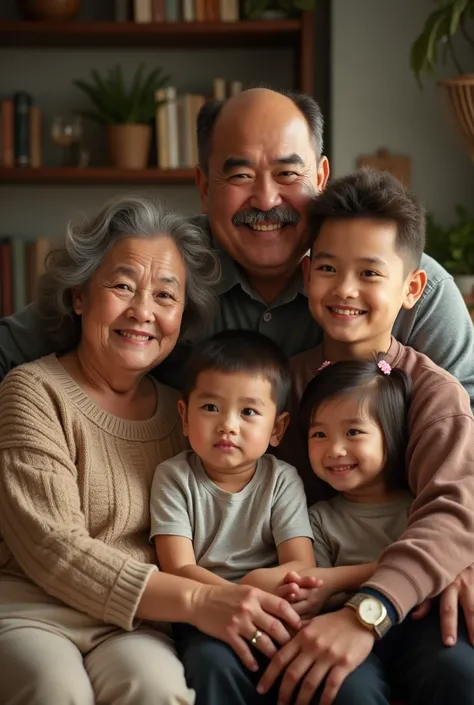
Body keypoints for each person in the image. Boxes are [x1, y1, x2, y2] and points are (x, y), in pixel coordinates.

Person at [0, 196, 303, 705]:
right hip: (34, 610)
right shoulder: (32, 390)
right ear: (79, 296)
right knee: (57, 691)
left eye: (166, 296)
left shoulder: (184, 416)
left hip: (136, 625)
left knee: (159, 689)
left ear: (183, 317)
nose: (143, 311)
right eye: (122, 286)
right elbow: (54, 549)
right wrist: (203, 599)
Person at [0, 88, 473, 411]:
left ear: (321, 178)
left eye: (289, 174)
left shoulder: (409, 290)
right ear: (204, 185)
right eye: (241, 175)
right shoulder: (155, 268)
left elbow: (464, 433)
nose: (266, 201)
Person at [257, 169, 474, 705]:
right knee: (341, 690)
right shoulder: (279, 389)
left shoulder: (434, 394)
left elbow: (452, 509)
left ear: (411, 289)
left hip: (416, 604)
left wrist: (366, 611)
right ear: (307, 275)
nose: (345, 289)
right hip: (311, 598)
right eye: (328, 268)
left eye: (370, 273)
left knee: (459, 673)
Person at [150, 330, 316, 704]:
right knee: (210, 664)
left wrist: (260, 597)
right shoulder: (174, 477)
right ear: (184, 416)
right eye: (210, 407)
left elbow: (301, 563)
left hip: (273, 607)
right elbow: (178, 569)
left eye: (248, 412)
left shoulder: (281, 480)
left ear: (277, 429)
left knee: (303, 664)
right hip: (201, 614)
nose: (228, 424)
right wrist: (237, 599)